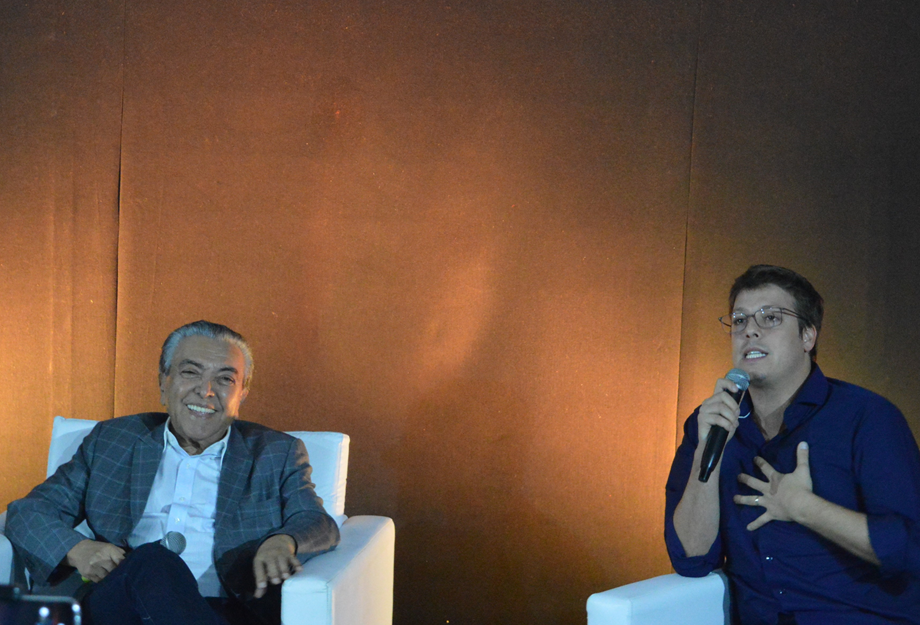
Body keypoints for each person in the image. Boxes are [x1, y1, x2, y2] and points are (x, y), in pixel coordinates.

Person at [6, 320, 340, 625]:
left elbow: (316, 521)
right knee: (153, 560)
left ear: (241, 396)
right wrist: (78, 549)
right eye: (190, 373)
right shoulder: (114, 441)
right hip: (123, 605)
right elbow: (28, 512)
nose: (206, 391)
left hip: (228, 608)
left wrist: (284, 541)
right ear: (163, 384)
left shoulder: (275, 452)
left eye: (225, 379)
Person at [665, 265, 920, 624]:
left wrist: (805, 508)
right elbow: (691, 558)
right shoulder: (710, 422)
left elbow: (910, 550)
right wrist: (707, 453)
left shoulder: (867, 417)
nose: (749, 330)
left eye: (770, 317)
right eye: (739, 320)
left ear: (807, 337)